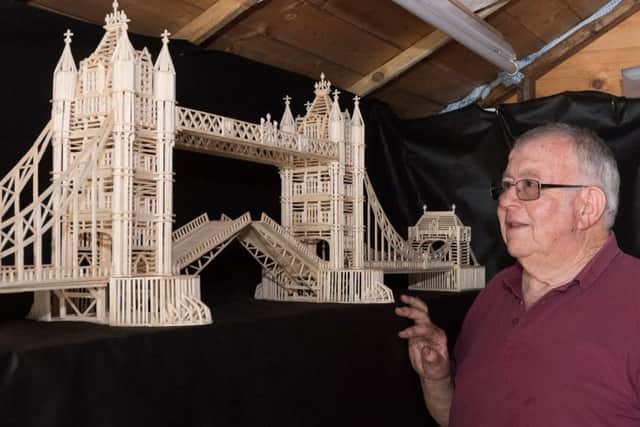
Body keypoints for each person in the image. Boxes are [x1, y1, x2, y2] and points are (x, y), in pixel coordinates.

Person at [396, 122, 640, 426]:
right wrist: (438, 379)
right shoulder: (496, 292)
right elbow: (456, 416)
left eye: (529, 186)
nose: (505, 201)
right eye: (506, 186)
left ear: (587, 207)